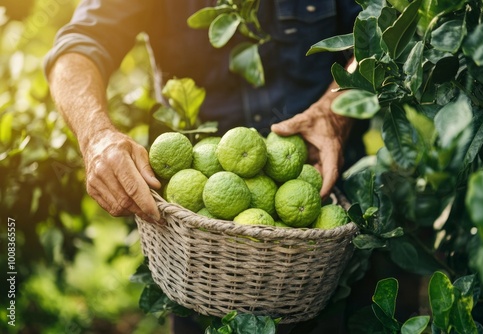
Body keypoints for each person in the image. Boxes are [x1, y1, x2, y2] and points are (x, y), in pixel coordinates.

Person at [45, 1, 364, 332]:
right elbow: (78, 43)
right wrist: (96, 136)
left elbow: (380, 33)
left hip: (324, 201)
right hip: (196, 250)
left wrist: (335, 110)